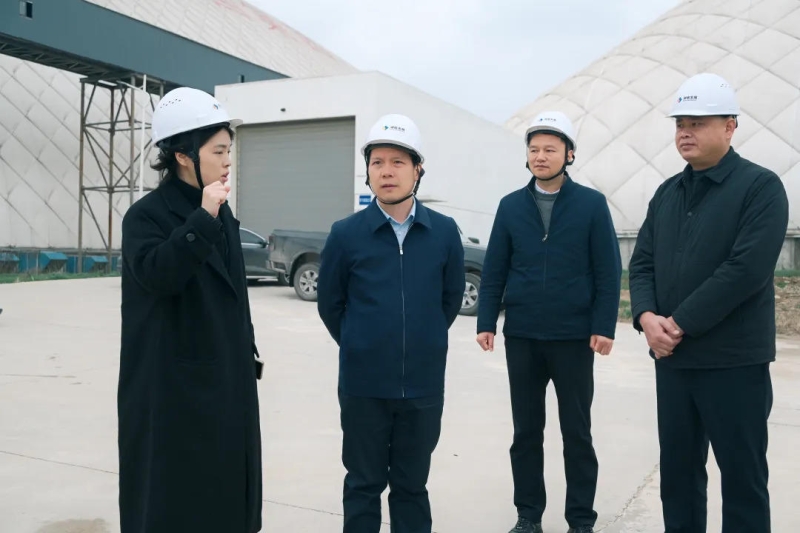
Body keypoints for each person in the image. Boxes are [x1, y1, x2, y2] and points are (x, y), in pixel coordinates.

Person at [628, 72, 789, 532]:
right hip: (673, 363)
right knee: (678, 476)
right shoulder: (667, 193)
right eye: (680, 123)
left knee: (742, 480)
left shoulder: (760, 188)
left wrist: (677, 324)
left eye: (697, 122)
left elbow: (746, 270)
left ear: (730, 126)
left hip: (733, 363)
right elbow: (641, 264)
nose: (685, 131)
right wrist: (646, 317)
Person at [118, 87, 264, 533]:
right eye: (218, 151)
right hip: (173, 390)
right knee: (173, 500)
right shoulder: (145, 217)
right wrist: (201, 219)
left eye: (228, 150)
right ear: (183, 155)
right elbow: (159, 275)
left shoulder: (221, 211)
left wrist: (247, 348)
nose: (227, 161)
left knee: (226, 498)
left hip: (228, 381)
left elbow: (235, 294)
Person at [317, 113, 465, 533]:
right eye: (377, 162)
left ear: (418, 170)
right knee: (363, 484)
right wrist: (360, 342)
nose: (386, 171)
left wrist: (423, 338)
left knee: (411, 486)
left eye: (398, 162)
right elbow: (331, 304)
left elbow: (450, 299)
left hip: (422, 385)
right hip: (364, 385)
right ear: (367, 171)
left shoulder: (443, 232)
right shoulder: (346, 234)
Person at [476, 111, 622, 533]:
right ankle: (529, 516)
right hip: (522, 336)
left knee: (577, 432)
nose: (540, 156)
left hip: (573, 337)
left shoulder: (591, 205)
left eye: (550, 150)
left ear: (569, 154)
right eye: (534, 149)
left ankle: (581, 520)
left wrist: (604, 326)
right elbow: (495, 269)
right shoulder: (510, 206)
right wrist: (487, 321)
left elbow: (608, 271)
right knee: (526, 432)